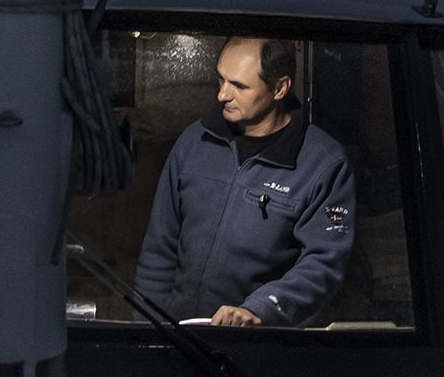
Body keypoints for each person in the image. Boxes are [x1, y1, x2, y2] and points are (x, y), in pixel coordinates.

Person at [135, 36, 355, 328]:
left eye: (239, 86)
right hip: (182, 339)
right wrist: (145, 330)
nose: (222, 95)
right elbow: (159, 249)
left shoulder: (323, 164)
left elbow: (323, 264)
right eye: (221, 80)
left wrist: (261, 309)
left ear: (280, 88)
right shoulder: (195, 141)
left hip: (266, 347)